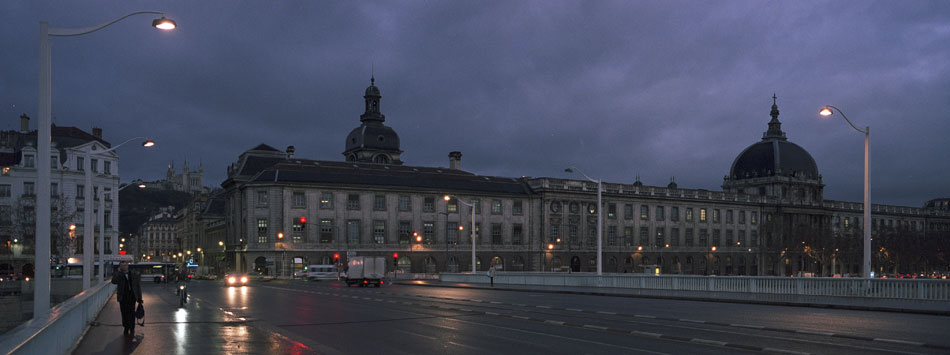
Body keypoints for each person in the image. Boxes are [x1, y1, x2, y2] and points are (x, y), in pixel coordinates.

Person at [111, 261, 143, 337]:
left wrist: (139, 297)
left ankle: (132, 327)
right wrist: (118, 272)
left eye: (125, 265)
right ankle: (126, 327)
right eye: (122, 266)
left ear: (127, 266)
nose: (124, 267)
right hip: (123, 297)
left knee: (132, 313)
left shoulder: (133, 274)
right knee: (124, 313)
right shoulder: (119, 275)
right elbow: (113, 281)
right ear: (120, 267)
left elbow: (137, 286)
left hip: (132, 297)